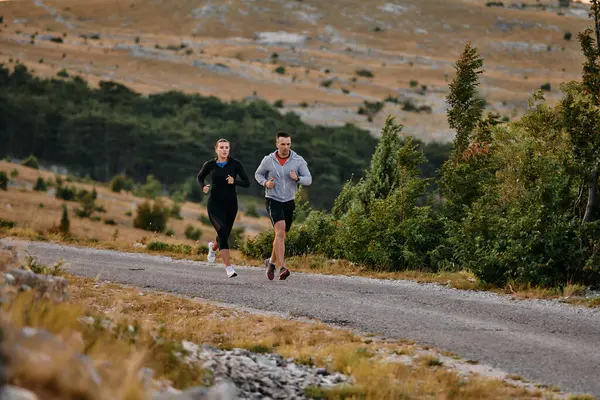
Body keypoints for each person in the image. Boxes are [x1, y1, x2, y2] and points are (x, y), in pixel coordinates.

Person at [254, 131, 312, 281]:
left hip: (289, 201)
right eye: (283, 144)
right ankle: (282, 267)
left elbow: (309, 179)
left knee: (281, 236)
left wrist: (297, 178)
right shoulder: (268, 160)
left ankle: (271, 263)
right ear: (277, 144)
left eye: (288, 144)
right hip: (273, 199)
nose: (286, 147)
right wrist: (266, 183)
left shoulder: (298, 160)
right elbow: (258, 174)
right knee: (279, 233)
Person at [197, 139, 250, 278]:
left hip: (231, 205)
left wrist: (235, 181)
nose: (224, 150)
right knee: (222, 232)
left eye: (226, 147)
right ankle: (228, 267)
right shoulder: (210, 164)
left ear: (229, 149)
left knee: (224, 233)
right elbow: (200, 177)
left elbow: (247, 182)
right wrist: (203, 186)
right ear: (216, 149)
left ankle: (213, 247)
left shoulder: (235, 164)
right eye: (221, 147)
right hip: (214, 204)